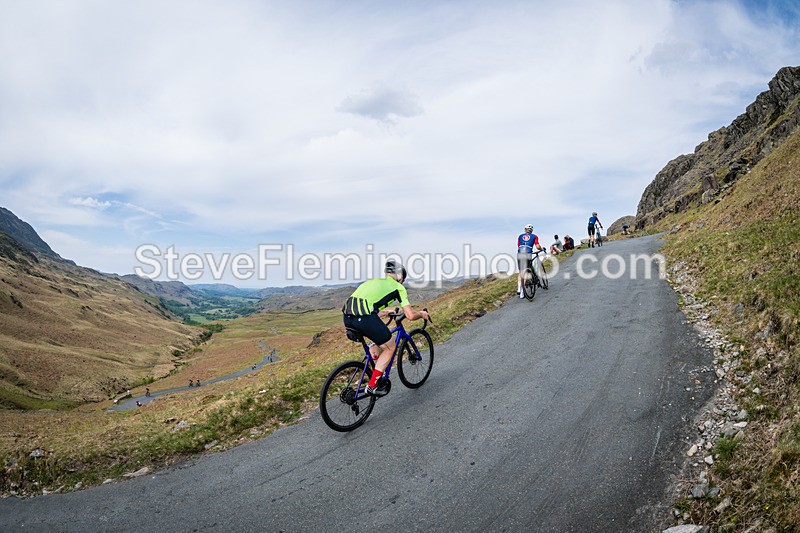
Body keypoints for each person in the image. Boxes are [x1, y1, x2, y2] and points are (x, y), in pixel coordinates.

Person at [342, 260, 430, 396]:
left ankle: (376, 371)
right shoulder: (398, 287)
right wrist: (421, 314)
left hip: (348, 318)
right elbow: (410, 315)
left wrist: (383, 312)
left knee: (376, 341)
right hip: (364, 317)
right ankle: (372, 385)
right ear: (400, 277)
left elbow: (367, 303)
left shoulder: (373, 282)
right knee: (390, 347)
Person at [517, 224, 543, 298]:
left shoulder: (520, 236)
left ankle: (519, 289)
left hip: (520, 253)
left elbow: (518, 245)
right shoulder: (534, 236)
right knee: (526, 271)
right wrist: (541, 249)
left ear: (525, 229)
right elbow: (537, 246)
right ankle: (522, 292)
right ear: (531, 230)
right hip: (528, 253)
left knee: (521, 271)